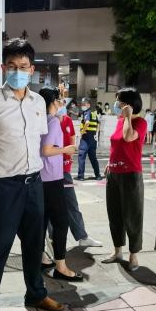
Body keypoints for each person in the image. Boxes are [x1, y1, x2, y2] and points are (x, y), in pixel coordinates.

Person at [0, 38, 64, 311]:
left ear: (32, 70)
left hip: (34, 184)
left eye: (23, 67)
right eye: (12, 66)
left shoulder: (38, 103)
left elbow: (37, 142)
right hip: (3, 187)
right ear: (3, 68)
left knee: (34, 246)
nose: (18, 71)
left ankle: (35, 293)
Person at [38, 87, 83, 281]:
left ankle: (41, 258)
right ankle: (61, 267)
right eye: (60, 100)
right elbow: (47, 150)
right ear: (53, 102)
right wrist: (66, 149)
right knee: (61, 222)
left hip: (39, 177)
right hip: (51, 178)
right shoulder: (53, 122)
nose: (62, 103)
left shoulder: (38, 120)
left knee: (41, 221)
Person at [101, 89, 147, 271]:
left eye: (119, 101)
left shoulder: (140, 122)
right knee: (115, 214)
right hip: (114, 173)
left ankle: (133, 254)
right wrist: (110, 162)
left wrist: (128, 117)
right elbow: (117, 144)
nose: (116, 105)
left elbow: (128, 137)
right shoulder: (120, 121)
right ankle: (117, 251)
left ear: (128, 104)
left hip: (131, 175)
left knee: (132, 215)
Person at [54, 98, 102, 248]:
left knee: (72, 205)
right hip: (49, 171)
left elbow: (72, 139)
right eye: (57, 102)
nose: (60, 105)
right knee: (49, 209)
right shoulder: (46, 121)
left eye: (61, 102)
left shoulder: (68, 120)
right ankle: (49, 240)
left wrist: (70, 154)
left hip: (65, 170)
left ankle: (82, 236)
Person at [76, 97, 102, 180]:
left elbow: (87, 123)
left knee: (81, 157)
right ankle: (98, 175)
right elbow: (98, 124)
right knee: (93, 158)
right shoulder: (94, 114)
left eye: (84, 104)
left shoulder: (86, 112)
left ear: (89, 105)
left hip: (86, 138)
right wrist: (96, 133)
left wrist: (82, 131)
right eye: (82, 104)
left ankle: (81, 176)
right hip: (93, 139)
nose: (83, 105)